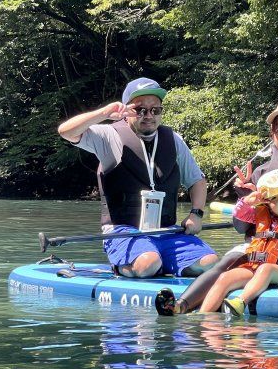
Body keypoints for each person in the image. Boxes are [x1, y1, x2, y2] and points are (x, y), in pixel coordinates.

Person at [154, 100, 278, 315]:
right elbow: (240, 227)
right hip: (260, 251)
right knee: (227, 262)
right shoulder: (261, 173)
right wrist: (246, 196)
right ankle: (181, 305)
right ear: (272, 136)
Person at [58, 77, 219, 278]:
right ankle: (130, 265)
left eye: (155, 110)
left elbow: (197, 181)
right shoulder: (109, 135)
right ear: (127, 111)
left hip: (166, 230)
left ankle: (163, 263)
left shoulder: (174, 139)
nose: (148, 115)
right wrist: (104, 113)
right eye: (140, 109)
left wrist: (196, 214)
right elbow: (66, 132)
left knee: (209, 263)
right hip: (123, 230)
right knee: (148, 263)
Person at [197, 169, 278, 316]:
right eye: (274, 198)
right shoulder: (260, 216)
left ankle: (240, 302)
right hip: (255, 268)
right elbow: (240, 214)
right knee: (225, 277)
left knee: (266, 269)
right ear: (266, 203)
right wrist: (247, 202)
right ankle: (203, 315)